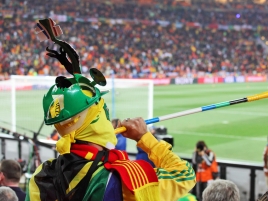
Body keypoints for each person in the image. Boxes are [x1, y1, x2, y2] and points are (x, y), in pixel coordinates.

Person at [26, 18, 195, 201]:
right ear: (97, 120)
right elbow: (184, 175)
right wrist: (145, 138)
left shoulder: (40, 176)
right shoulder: (127, 178)